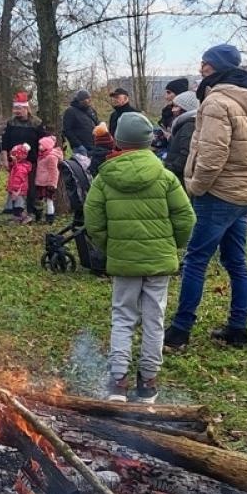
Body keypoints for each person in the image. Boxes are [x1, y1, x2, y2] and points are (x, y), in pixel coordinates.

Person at [85, 111, 196, 403]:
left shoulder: (104, 178)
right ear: (149, 142)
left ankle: (118, 382)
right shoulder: (166, 176)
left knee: (122, 317)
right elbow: (185, 217)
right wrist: (173, 247)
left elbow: (93, 221)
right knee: (154, 319)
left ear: (118, 142)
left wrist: (112, 247)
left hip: (124, 262)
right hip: (159, 262)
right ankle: (147, 382)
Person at [164, 44, 247, 351]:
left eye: (205, 65)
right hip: (243, 193)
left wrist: (196, 186)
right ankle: (238, 327)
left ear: (218, 69)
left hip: (217, 194)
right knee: (236, 261)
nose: (200, 70)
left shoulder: (217, 102)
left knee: (196, 259)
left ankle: (179, 331)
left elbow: (212, 155)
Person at [0, 92, 43, 219]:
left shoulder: (36, 122)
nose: (17, 111)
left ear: (26, 108)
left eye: (19, 108)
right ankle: (17, 211)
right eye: (15, 108)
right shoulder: (11, 123)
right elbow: (5, 142)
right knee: (16, 184)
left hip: (31, 160)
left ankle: (31, 211)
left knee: (30, 187)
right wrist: (4, 158)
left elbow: (42, 140)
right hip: (14, 160)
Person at [162, 91, 199, 180]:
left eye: (176, 106)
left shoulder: (189, 126)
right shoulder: (185, 124)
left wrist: (170, 170)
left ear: (186, 108)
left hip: (178, 176)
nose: (172, 110)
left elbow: (185, 154)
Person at [62, 89, 100, 157]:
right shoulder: (70, 111)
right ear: (79, 100)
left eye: (88, 99)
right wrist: (78, 145)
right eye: (85, 99)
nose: (88, 101)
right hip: (80, 148)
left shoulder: (91, 110)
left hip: (94, 146)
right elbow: (67, 130)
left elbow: (97, 123)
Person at [34, 135, 61, 224]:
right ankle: (38, 216)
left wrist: (52, 183)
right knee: (39, 200)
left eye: (41, 145)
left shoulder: (51, 157)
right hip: (40, 182)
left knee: (49, 200)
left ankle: (50, 218)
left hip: (47, 183)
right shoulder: (41, 156)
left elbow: (54, 171)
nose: (39, 147)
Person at [4, 144, 32, 223]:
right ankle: (17, 218)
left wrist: (15, 189)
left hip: (19, 190)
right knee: (16, 205)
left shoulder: (21, 168)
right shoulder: (16, 166)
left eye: (13, 155)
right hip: (16, 190)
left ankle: (24, 217)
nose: (11, 157)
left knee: (18, 206)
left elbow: (18, 179)